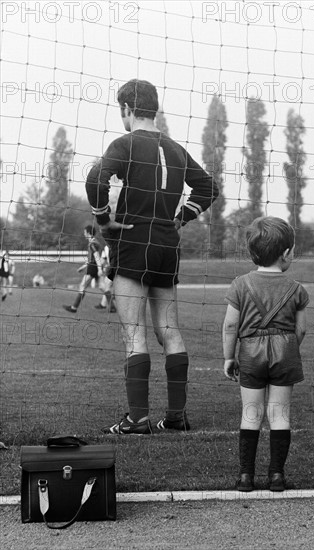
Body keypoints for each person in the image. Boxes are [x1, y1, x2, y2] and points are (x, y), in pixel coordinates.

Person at [85, 78, 218, 435]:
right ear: (154, 108)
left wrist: (103, 220)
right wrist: (183, 216)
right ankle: (176, 416)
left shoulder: (125, 143)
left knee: (134, 332)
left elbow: (96, 177)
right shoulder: (175, 148)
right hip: (167, 243)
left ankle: (138, 418)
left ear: (127, 108)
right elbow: (208, 186)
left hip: (133, 239)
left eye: (120, 111)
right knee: (169, 329)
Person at [222, 216, 309, 492]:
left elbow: (230, 325)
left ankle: (246, 477)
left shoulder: (239, 285)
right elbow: (302, 330)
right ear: (285, 254)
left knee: (251, 413)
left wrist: (229, 356)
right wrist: (288, 348)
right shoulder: (297, 289)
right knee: (280, 414)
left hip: (250, 351)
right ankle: (276, 476)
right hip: (285, 350)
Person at [63, 225, 115, 313]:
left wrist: (99, 269)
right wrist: (83, 267)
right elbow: (92, 258)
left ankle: (74, 308)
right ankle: (112, 307)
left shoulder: (92, 243)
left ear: (88, 232)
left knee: (82, 285)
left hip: (93, 268)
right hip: (94, 266)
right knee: (103, 287)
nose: (84, 234)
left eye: (84, 232)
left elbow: (96, 257)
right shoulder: (95, 242)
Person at [95, 244, 116, 312]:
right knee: (103, 287)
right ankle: (104, 304)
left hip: (117, 270)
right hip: (111, 269)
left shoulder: (117, 245)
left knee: (106, 287)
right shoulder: (106, 247)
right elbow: (103, 259)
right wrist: (100, 267)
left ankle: (112, 307)